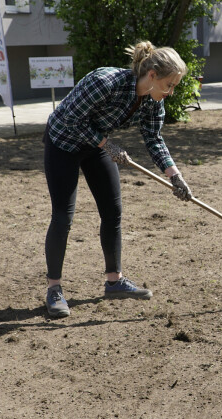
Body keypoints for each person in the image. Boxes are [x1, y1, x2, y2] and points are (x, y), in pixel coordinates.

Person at [42, 40, 192, 318]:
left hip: (95, 146)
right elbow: (72, 120)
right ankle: (54, 289)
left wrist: (175, 176)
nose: (171, 92)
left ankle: (114, 281)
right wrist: (108, 146)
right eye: (170, 85)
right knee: (63, 216)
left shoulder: (151, 103)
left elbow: (154, 139)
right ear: (152, 75)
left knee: (112, 211)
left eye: (175, 87)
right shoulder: (106, 81)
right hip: (62, 142)